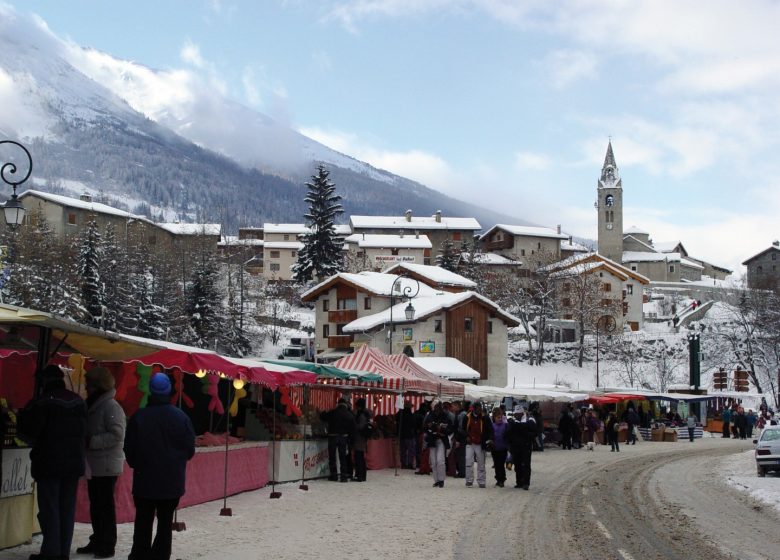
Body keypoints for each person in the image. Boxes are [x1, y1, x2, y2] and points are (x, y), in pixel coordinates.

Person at [18, 365, 87, 560]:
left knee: (50, 509)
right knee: (66, 509)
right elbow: (85, 431)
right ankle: (62, 552)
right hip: (73, 464)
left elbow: (28, 433)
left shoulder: (41, 402)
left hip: (48, 463)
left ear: (43, 382)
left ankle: (51, 552)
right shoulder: (78, 402)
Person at [125, 373, 195, 560]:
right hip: (172, 482)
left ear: (151, 391)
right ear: (169, 391)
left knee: (143, 521)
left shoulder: (139, 417)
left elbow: (129, 449)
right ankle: (161, 555)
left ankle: (140, 555)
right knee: (165, 523)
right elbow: (189, 450)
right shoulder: (181, 418)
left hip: (144, 480)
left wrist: (138, 464)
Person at [76, 367, 126, 559]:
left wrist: (92, 441)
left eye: (89, 384)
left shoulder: (111, 407)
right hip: (96, 464)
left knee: (104, 505)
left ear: (98, 386)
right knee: (97, 505)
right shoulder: (96, 404)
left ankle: (107, 543)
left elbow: (117, 434)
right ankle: (98, 538)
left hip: (106, 464)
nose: (87, 388)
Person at [320, 398, 356, 482]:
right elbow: (353, 428)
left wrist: (323, 412)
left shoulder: (333, 412)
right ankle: (343, 476)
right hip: (343, 437)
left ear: (338, 404)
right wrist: (351, 440)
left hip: (333, 436)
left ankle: (334, 475)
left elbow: (323, 417)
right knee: (342, 457)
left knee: (332, 457)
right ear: (345, 404)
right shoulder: (349, 414)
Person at [459, 401, 493, 488]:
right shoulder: (467, 417)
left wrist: (489, 439)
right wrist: (466, 436)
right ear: (473, 409)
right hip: (470, 442)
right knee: (468, 461)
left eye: (480, 408)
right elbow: (462, 429)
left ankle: (481, 481)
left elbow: (490, 430)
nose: (479, 410)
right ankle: (469, 480)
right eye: (478, 408)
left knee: (481, 463)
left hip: (480, 443)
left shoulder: (485, 418)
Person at [506, 406, 538, 490]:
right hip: (516, 447)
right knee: (517, 464)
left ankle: (526, 483)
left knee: (526, 465)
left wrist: (525, 432)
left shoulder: (530, 421)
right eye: (515, 414)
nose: (516, 415)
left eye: (518, 414)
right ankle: (519, 482)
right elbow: (508, 434)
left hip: (526, 446)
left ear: (522, 413)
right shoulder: (513, 422)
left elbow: (535, 432)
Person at [423, 400, 453, 488]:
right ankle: (436, 480)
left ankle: (441, 480)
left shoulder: (446, 416)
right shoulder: (429, 415)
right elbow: (425, 427)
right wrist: (432, 428)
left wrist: (442, 430)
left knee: (440, 460)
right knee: (433, 461)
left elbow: (450, 428)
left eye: (439, 406)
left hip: (441, 440)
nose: (437, 408)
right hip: (432, 440)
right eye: (435, 406)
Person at [352, 398, 373, 482]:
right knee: (360, 456)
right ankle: (362, 475)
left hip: (359, 437)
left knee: (359, 457)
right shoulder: (366, 413)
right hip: (363, 438)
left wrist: (354, 426)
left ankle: (360, 475)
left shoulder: (361, 415)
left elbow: (360, 426)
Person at [490, 407, 509, 487]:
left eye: (500, 417)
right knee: (496, 464)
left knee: (501, 464)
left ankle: (502, 479)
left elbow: (508, 435)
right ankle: (498, 479)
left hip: (503, 448)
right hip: (494, 448)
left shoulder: (505, 425)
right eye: (498, 417)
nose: (500, 419)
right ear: (494, 418)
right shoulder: (492, 426)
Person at [396, 400, 417, 469]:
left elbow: (396, 420)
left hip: (401, 434)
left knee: (403, 450)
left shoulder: (400, 413)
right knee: (411, 450)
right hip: (409, 434)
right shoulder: (411, 415)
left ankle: (403, 463)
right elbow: (414, 424)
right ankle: (410, 463)